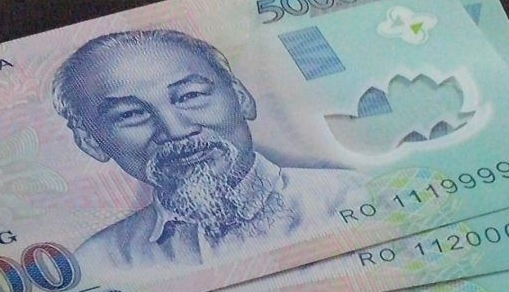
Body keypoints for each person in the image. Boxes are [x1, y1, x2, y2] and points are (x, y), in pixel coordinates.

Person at [51, 29, 367, 274]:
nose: (176, 130)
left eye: (190, 95)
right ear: (90, 142)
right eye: (131, 114)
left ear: (241, 97)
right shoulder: (99, 263)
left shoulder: (355, 197)